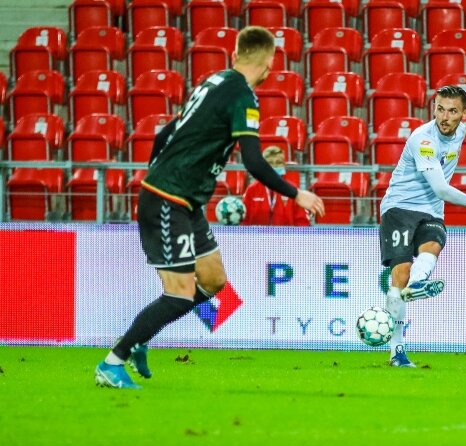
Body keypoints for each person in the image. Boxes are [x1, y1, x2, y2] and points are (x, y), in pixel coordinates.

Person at [95, 27, 325, 389]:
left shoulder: (212, 82)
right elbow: (254, 161)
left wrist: (161, 173)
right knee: (180, 293)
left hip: (186, 201)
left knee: (214, 280)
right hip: (169, 199)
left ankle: (139, 338)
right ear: (269, 63)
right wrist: (296, 194)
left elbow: (164, 134)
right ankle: (113, 361)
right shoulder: (243, 97)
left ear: (235, 54)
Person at [379, 85, 466, 368]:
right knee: (400, 274)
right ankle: (396, 350)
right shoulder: (423, 139)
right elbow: (441, 188)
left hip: (430, 211)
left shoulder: (461, 133)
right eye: (440, 109)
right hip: (400, 207)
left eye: (452, 111)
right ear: (434, 108)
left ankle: (417, 284)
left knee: (433, 244)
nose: (444, 117)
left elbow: (438, 192)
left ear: (465, 113)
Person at [243, 146, 311, 226]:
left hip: (286, 234)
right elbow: (244, 220)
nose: (274, 166)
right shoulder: (252, 190)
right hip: (257, 234)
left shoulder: (293, 190)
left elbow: (302, 222)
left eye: (278, 162)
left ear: (283, 165)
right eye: (270, 163)